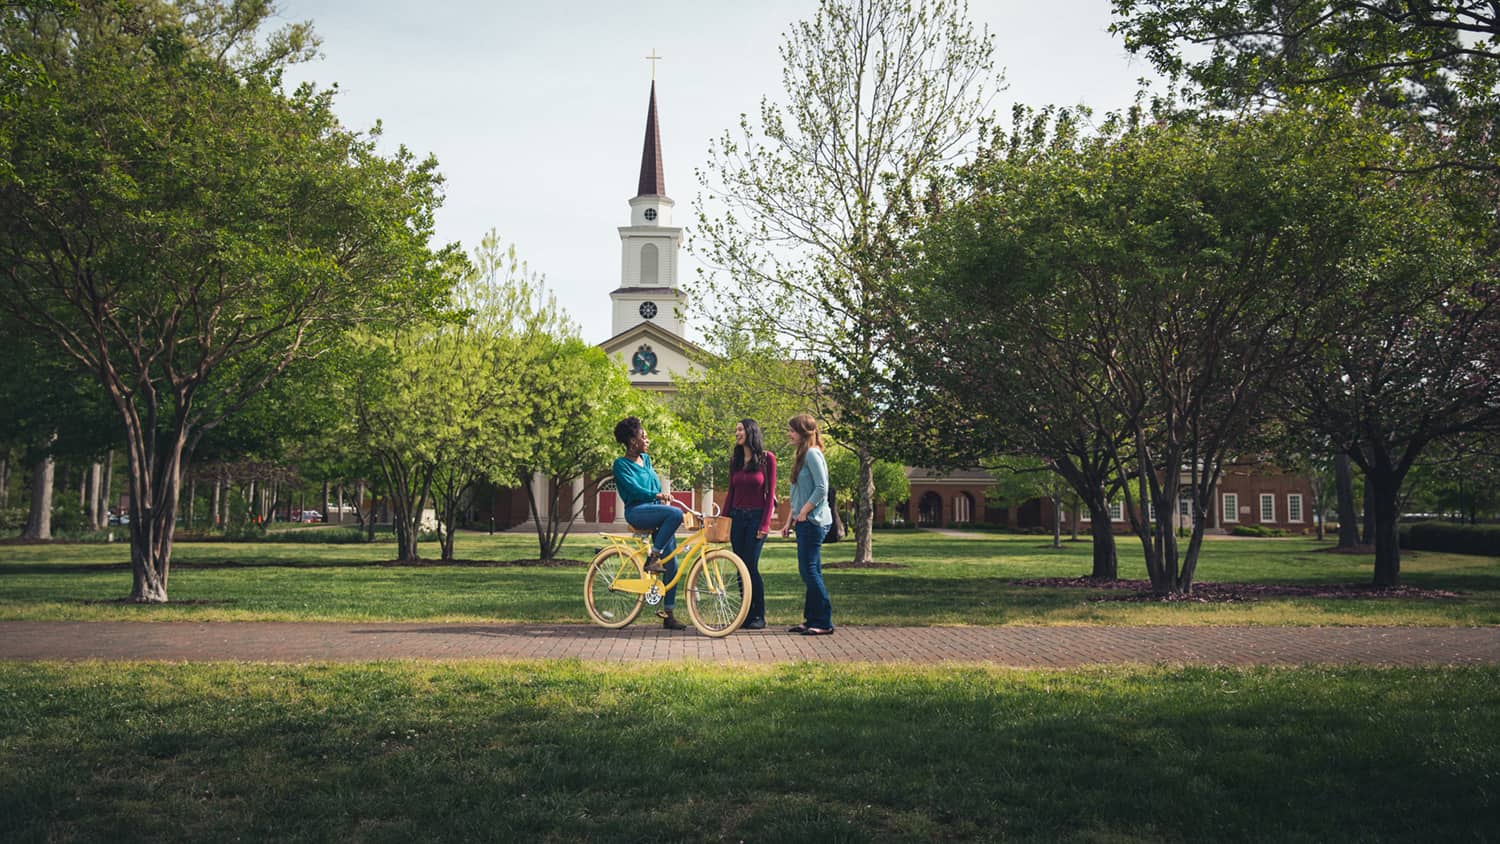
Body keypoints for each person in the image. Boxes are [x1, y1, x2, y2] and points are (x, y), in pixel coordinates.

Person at [612, 416, 687, 630]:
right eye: (644, 436)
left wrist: (659, 496)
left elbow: (653, 487)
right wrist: (657, 494)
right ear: (632, 441)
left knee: (672, 564)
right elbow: (634, 491)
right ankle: (653, 557)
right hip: (636, 512)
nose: (647, 440)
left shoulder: (647, 461)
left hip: (654, 512)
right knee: (675, 514)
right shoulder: (621, 465)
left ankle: (668, 614)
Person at [780, 413, 834, 635]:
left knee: (809, 571)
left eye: (792, 430)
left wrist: (803, 513)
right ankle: (811, 619)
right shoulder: (802, 455)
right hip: (804, 520)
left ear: (803, 433)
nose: (789, 434)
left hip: (813, 521)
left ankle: (823, 622)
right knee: (812, 571)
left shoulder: (812, 453)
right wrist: (788, 521)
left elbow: (822, 488)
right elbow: (798, 494)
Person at [723, 419, 776, 630]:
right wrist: (724, 520)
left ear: (750, 431)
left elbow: (770, 494)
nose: (736, 433)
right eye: (735, 429)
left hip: (756, 518)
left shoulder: (766, 459)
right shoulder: (734, 460)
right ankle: (744, 615)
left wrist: (764, 525)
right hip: (737, 518)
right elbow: (731, 493)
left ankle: (758, 615)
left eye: (739, 429)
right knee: (740, 567)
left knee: (751, 567)